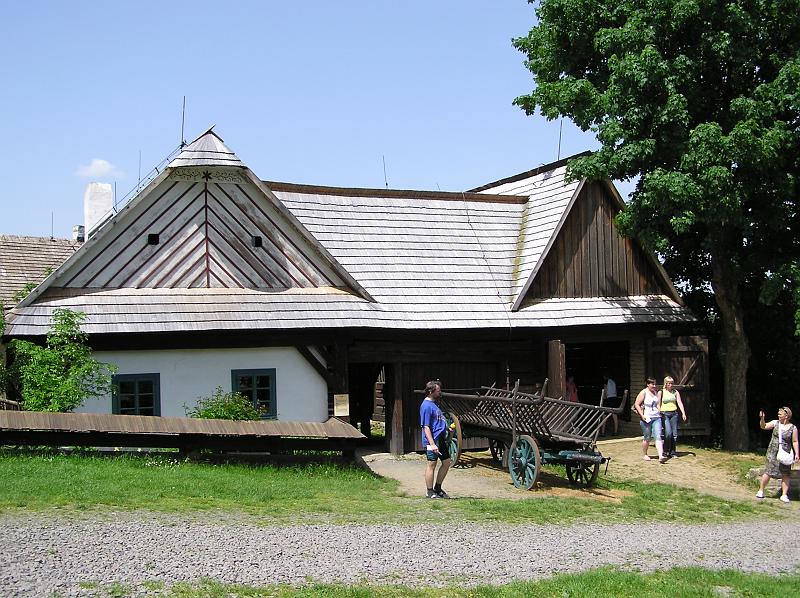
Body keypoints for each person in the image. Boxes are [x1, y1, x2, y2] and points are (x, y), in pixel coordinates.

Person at [756, 407, 799, 503]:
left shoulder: (793, 428)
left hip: (785, 453)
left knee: (785, 474)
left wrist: (797, 454)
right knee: (768, 471)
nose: (778, 415)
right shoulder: (775, 423)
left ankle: (784, 495)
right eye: (778, 413)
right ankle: (761, 490)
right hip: (772, 452)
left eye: (780, 414)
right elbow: (764, 426)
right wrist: (762, 418)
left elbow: (795, 441)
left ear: (786, 416)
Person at [419, 380, 451, 499]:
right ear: (431, 391)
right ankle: (429, 491)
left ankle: (438, 488)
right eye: (438, 391)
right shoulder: (426, 406)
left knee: (446, 462)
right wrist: (432, 444)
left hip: (440, 438)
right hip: (432, 440)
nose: (440, 392)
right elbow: (426, 427)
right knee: (431, 464)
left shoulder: (434, 404)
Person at [634, 377, 666, 462]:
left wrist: (660, 411)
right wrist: (642, 414)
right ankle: (645, 454)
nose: (654, 386)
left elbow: (657, 404)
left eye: (655, 384)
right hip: (646, 418)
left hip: (656, 417)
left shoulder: (656, 393)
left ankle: (661, 456)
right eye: (652, 384)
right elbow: (636, 404)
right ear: (648, 384)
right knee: (647, 437)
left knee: (658, 435)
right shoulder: (643, 392)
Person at [658, 375, 687, 458]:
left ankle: (673, 452)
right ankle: (665, 451)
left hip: (674, 414)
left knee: (674, 434)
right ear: (665, 384)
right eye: (669, 383)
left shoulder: (675, 392)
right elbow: (658, 403)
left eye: (672, 383)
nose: (670, 385)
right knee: (668, 433)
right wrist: (660, 411)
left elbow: (679, 403)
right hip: (665, 414)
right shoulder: (661, 392)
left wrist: (683, 413)